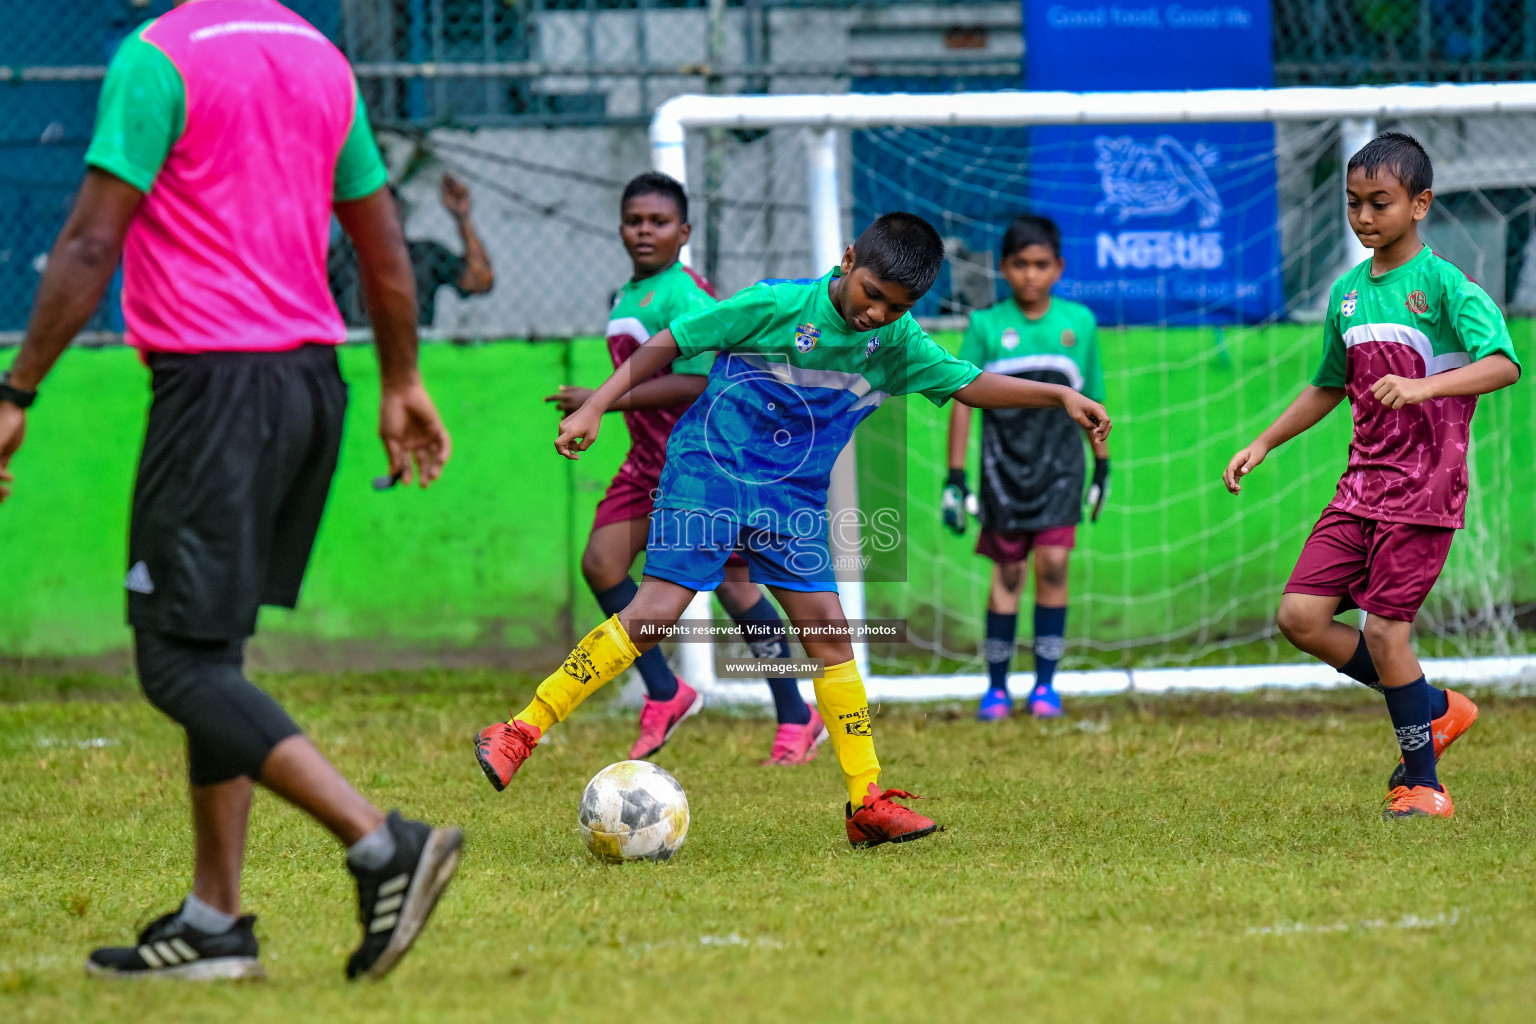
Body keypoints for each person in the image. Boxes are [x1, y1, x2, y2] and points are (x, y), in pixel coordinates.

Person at [0, 0, 460, 979]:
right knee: (210, 646)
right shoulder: (321, 58)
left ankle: (384, 843)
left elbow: (88, 243)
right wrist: (403, 379)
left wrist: (16, 388)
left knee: (173, 664)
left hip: (214, 391)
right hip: (309, 387)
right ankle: (213, 920)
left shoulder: (158, 57)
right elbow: (381, 247)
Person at [474, 212, 1112, 846]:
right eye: (872, 295)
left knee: (831, 640)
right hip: (710, 473)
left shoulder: (899, 344)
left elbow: (971, 384)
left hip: (792, 501)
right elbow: (668, 343)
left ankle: (866, 802)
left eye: (897, 307)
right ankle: (520, 730)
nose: (877, 315)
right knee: (654, 615)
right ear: (848, 258)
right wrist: (594, 405)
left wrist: (1056, 396)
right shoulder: (776, 305)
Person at [1223, 131, 1520, 821]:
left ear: (1420, 204)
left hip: (1424, 492)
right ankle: (1434, 709)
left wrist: (1423, 389)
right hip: (1361, 488)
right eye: (1353, 203)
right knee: (1300, 616)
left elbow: (1504, 362)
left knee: (1387, 634)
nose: (1363, 218)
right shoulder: (1348, 294)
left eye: (1379, 204)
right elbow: (1328, 384)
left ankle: (1426, 786)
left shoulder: (1445, 284)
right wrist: (1263, 441)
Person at [543, 171, 825, 765]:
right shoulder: (630, 293)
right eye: (635, 221)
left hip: (702, 464)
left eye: (660, 222)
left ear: (685, 231)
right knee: (602, 562)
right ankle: (667, 691)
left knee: (735, 584)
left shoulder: (685, 293)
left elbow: (700, 378)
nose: (645, 232)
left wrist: (605, 398)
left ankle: (798, 716)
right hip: (648, 459)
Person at [943, 214, 1108, 721]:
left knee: (1054, 567)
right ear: (1003, 268)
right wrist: (954, 478)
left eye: (1041, 264)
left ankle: (1045, 688)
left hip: (1061, 469)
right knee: (1009, 573)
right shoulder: (985, 326)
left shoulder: (1078, 323)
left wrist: (1102, 469)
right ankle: (996, 689)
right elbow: (963, 400)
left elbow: (1093, 400)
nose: (1030, 275)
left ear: (1057, 267)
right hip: (1001, 471)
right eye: (1020, 265)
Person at [328, 172, 495, 328]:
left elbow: (480, 281)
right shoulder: (340, 258)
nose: (387, 222)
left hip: (414, 353)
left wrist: (462, 217)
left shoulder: (424, 255)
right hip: (354, 352)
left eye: (394, 211)